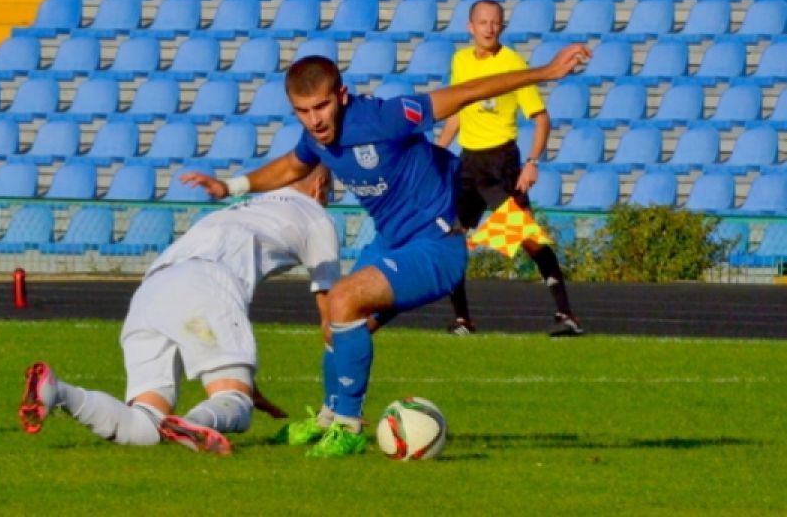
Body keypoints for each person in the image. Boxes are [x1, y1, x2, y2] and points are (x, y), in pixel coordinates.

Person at [182, 43, 591, 458]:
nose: (314, 120)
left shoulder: (384, 117)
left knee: (343, 299)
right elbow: (292, 165)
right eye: (303, 111)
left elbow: (466, 92)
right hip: (391, 242)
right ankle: (328, 418)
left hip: (436, 244)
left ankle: (348, 427)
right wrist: (231, 186)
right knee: (334, 326)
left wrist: (544, 72)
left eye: (321, 107)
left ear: (342, 95)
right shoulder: (315, 138)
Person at [18, 165, 340, 455]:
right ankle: (191, 424)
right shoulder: (315, 216)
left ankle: (59, 392)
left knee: (144, 423)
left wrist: (244, 381)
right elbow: (333, 309)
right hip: (205, 281)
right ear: (319, 185)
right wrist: (343, 379)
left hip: (152, 289)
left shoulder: (246, 207)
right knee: (235, 403)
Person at [436, 0, 584, 337]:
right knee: (450, 239)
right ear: (470, 27)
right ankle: (463, 320)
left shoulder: (512, 63)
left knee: (528, 239)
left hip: (500, 164)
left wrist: (532, 163)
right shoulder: (460, 61)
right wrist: (439, 150)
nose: (489, 28)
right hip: (468, 164)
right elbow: (457, 111)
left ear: (502, 26)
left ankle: (566, 315)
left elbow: (541, 119)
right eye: (483, 22)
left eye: (495, 22)